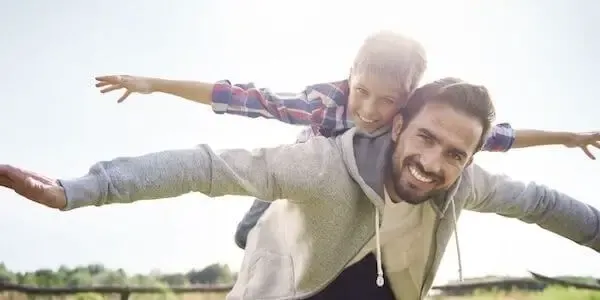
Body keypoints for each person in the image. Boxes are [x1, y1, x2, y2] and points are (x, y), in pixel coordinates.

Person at [1, 78, 598, 300]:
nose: (430, 162)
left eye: (454, 153)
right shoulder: (321, 163)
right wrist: (81, 189)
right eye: (424, 139)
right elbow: (206, 165)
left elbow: (542, 203)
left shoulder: (467, 181)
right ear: (397, 128)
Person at [93, 32, 600, 251]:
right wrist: (154, 83)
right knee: (252, 228)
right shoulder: (321, 105)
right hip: (301, 173)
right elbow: (241, 97)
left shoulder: (422, 118)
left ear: (407, 98)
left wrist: (567, 137)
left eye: (389, 102)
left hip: (361, 190)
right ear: (349, 76)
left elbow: (501, 137)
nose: (372, 110)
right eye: (363, 93)